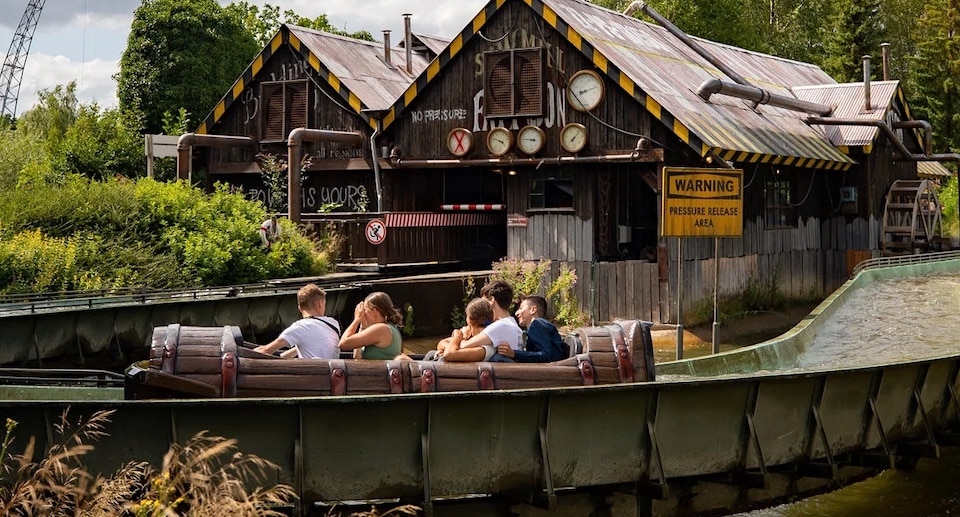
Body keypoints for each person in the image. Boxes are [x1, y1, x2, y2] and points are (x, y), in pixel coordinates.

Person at [440, 280, 521, 362]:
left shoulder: (501, 325)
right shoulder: (510, 322)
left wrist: (461, 336)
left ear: (492, 300)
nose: (481, 305)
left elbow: (463, 346)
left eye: (483, 301)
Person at [254, 283, 340, 359]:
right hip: (332, 372)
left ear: (299, 308)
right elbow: (311, 344)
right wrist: (282, 357)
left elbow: (266, 350)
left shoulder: (301, 327)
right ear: (320, 304)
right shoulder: (333, 323)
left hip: (312, 375)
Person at [496, 295, 567, 363]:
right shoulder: (539, 325)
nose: (516, 313)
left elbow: (546, 356)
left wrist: (514, 353)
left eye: (521, 308)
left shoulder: (537, 324)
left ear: (533, 309)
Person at [423, 297, 494, 362]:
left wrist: (457, 337)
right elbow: (441, 343)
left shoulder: (485, 348)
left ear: (469, 319)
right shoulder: (470, 334)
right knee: (431, 354)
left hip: (460, 373)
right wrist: (451, 347)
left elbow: (449, 354)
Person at [339, 291, 403, 360]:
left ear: (374, 311)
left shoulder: (381, 329)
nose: (363, 314)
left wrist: (356, 319)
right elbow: (357, 357)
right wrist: (362, 327)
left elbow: (343, 344)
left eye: (365, 310)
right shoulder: (390, 328)